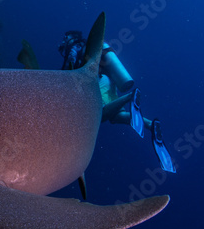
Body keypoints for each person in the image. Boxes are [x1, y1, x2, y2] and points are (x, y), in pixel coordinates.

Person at [56, 31, 175, 174]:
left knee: (100, 113)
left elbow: (70, 63)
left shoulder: (74, 46)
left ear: (70, 37)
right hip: (108, 79)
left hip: (98, 81)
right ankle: (150, 125)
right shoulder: (90, 47)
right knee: (116, 116)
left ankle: (130, 97)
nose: (63, 42)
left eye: (65, 38)